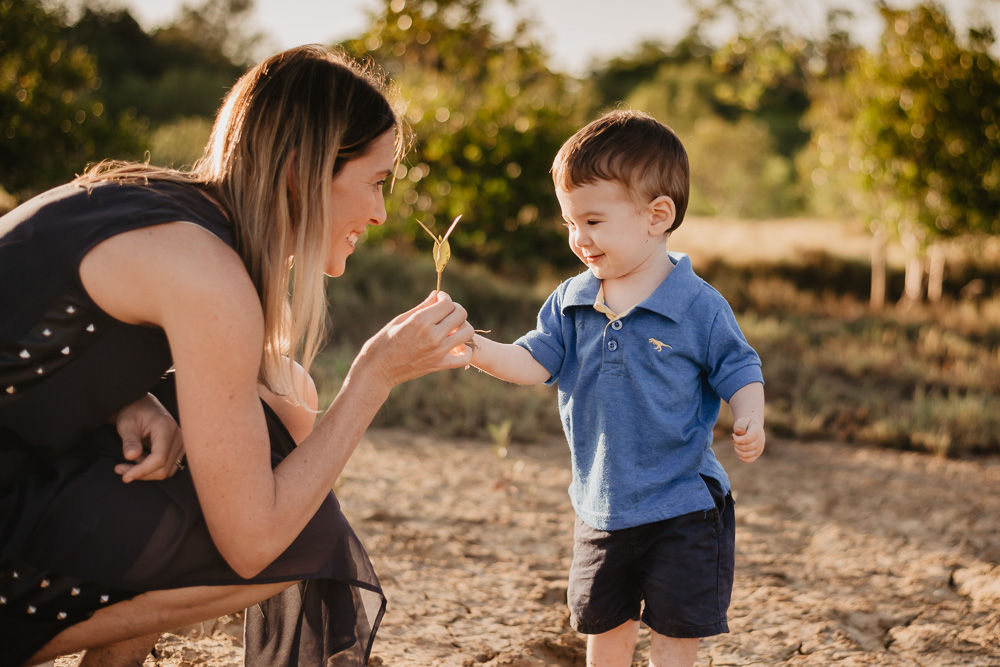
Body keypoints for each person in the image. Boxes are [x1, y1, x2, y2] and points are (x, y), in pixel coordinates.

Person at [0, 45, 474, 666]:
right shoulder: (209, 275)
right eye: (376, 182)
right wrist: (374, 375)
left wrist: (125, 392)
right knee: (297, 533)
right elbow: (254, 543)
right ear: (302, 170)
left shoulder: (154, 204)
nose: (382, 213)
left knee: (287, 400)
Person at [469, 110, 765, 667]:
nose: (579, 238)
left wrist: (750, 415)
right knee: (604, 630)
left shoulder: (698, 305)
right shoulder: (571, 300)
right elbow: (533, 361)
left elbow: (740, 367)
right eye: (569, 224)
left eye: (594, 222)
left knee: (676, 636)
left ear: (657, 216)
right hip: (601, 505)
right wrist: (477, 349)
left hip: (683, 506)